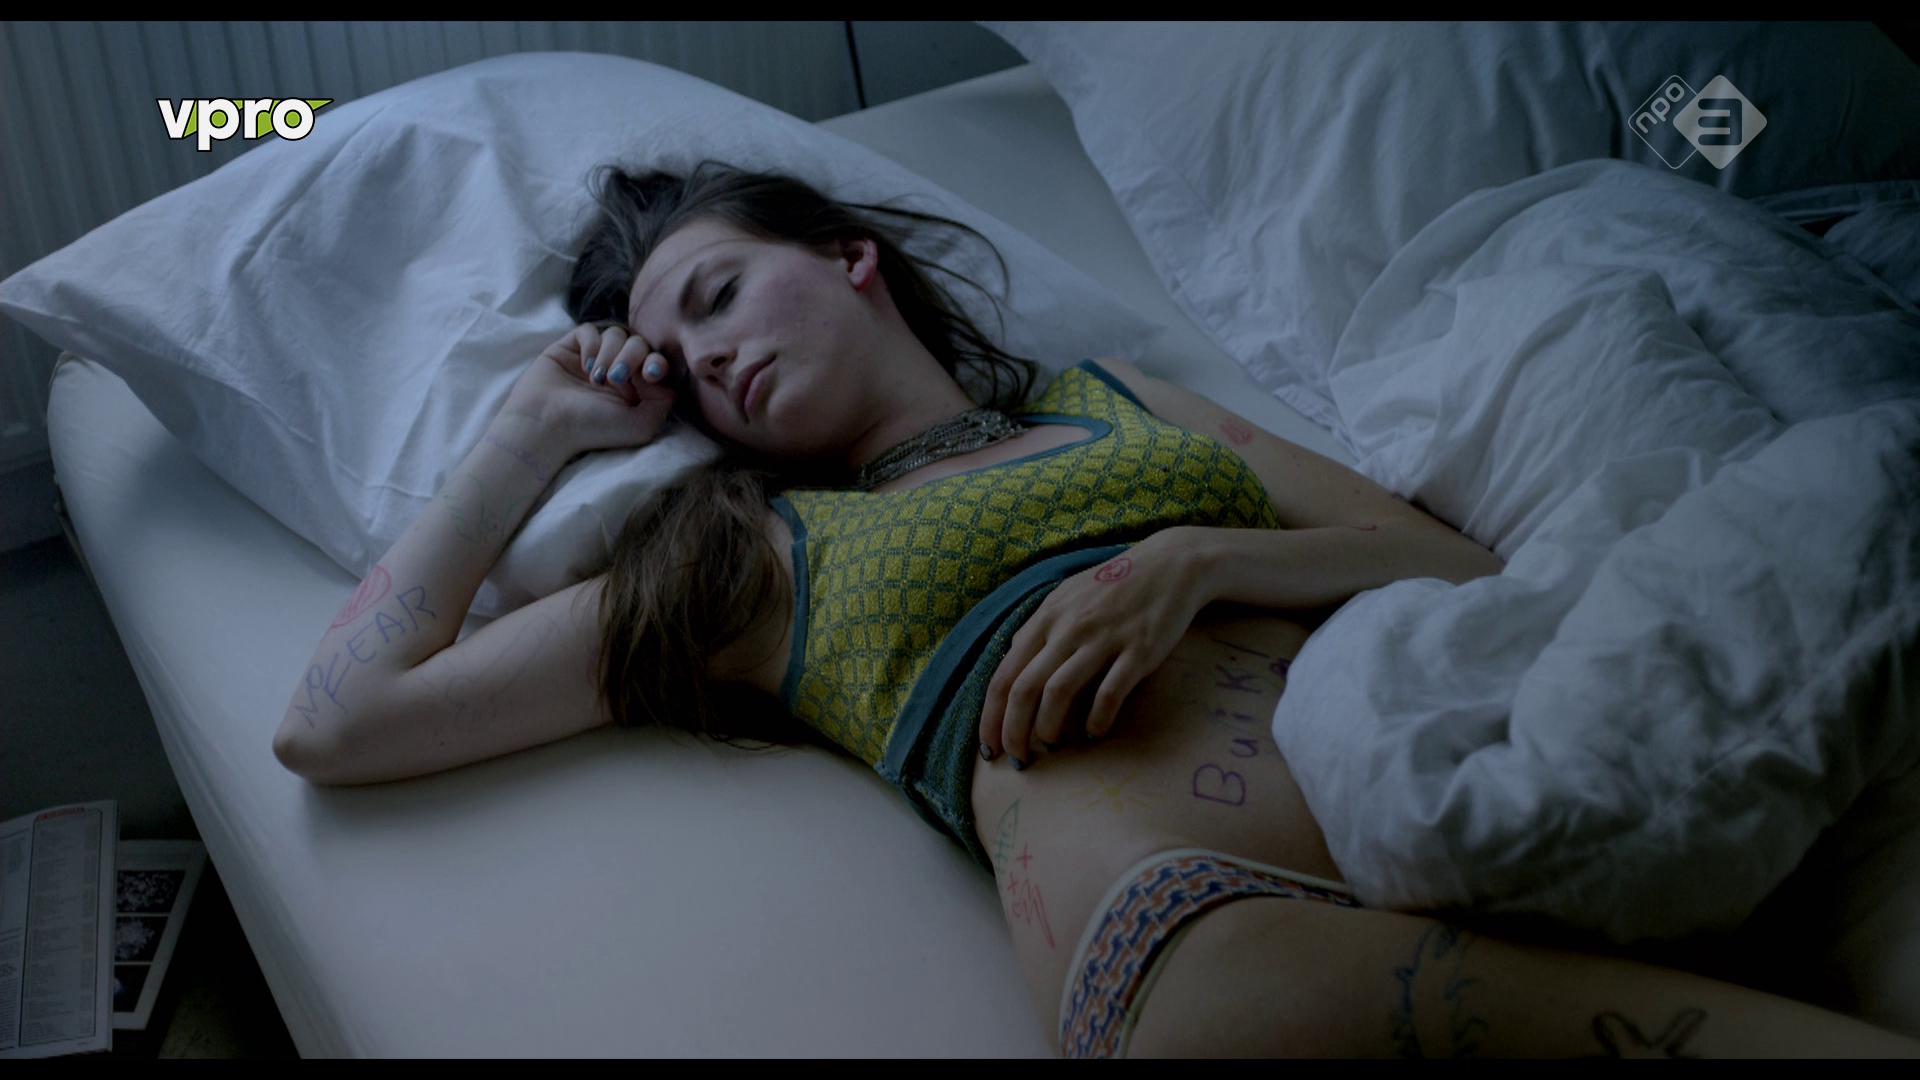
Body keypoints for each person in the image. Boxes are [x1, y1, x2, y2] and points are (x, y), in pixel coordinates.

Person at [273, 160, 1920, 1059]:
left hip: (1513, 801)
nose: (714, 357)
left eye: (721, 295)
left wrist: (1200, 561)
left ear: (846, 257)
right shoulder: (753, 556)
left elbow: (1468, 575)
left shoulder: (1118, 402)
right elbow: (337, 726)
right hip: (1220, 937)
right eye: (686, 361)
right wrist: (530, 431)